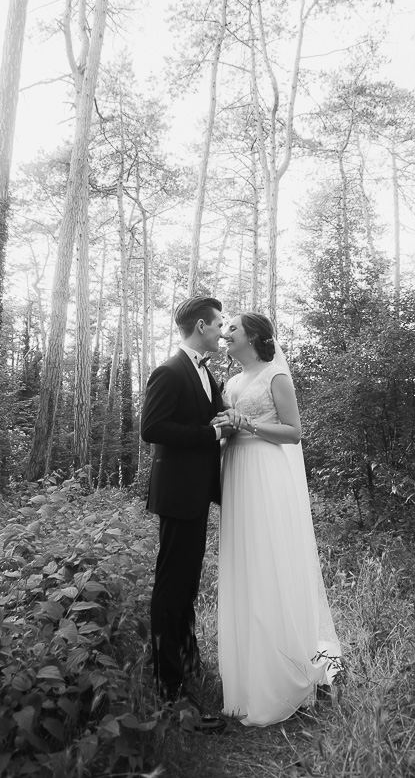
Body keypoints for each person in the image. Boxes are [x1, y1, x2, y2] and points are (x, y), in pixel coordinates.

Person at [213, 312, 341, 727]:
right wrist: (224, 425)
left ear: (253, 337)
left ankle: (283, 673)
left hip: (266, 471)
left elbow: (294, 431)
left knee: (269, 562)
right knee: (245, 565)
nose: (225, 333)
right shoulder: (231, 383)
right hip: (236, 471)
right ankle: (246, 680)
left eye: (233, 328)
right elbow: (228, 427)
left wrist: (248, 423)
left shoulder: (276, 376)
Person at [140, 296, 233, 732]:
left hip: (194, 494)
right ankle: (171, 692)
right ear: (200, 326)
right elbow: (152, 428)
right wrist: (208, 433)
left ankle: (187, 662)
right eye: (219, 324)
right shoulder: (170, 370)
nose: (222, 331)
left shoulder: (205, 372)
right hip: (177, 495)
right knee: (171, 588)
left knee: (186, 584)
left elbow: (213, 416)